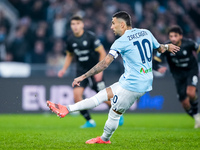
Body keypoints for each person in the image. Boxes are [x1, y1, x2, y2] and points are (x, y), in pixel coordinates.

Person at [47, 11, 179, 144]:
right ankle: (66, 109)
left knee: (114, 114)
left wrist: (83, 76)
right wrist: (168, 46)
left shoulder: (121, 42)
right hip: (133, 80)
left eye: (113, 23)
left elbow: (104, 63)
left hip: (133, 85)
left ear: (122, 25)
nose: (111, 27)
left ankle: (104, 139)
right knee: (99, 96)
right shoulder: (146, 32)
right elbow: (160, 48)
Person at [57, 16, 124, 128]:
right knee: (77, 96)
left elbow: (102, 53)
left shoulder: (91, 37)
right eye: (73, 24)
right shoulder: (70, 40)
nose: (75, 26)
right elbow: (69, 55)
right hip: (81, 72)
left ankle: (118, 112)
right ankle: (90, 121)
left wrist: (100, 71)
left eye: (78, 23)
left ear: (82, 25)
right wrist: (64, 69)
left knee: (104, 98)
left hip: (94, 70)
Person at [153, 25, 200, 128]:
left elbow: (198, 49)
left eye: (175, 36)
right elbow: (155, 61)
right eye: (171, 36)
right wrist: (158, 68)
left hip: (191, 71)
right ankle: (197, 117)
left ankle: (197, 115)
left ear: (181, 36)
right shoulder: (166, 47)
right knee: (185, 104)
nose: (173, 38)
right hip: (178, 76)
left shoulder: (189, 44)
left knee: (190, 93)